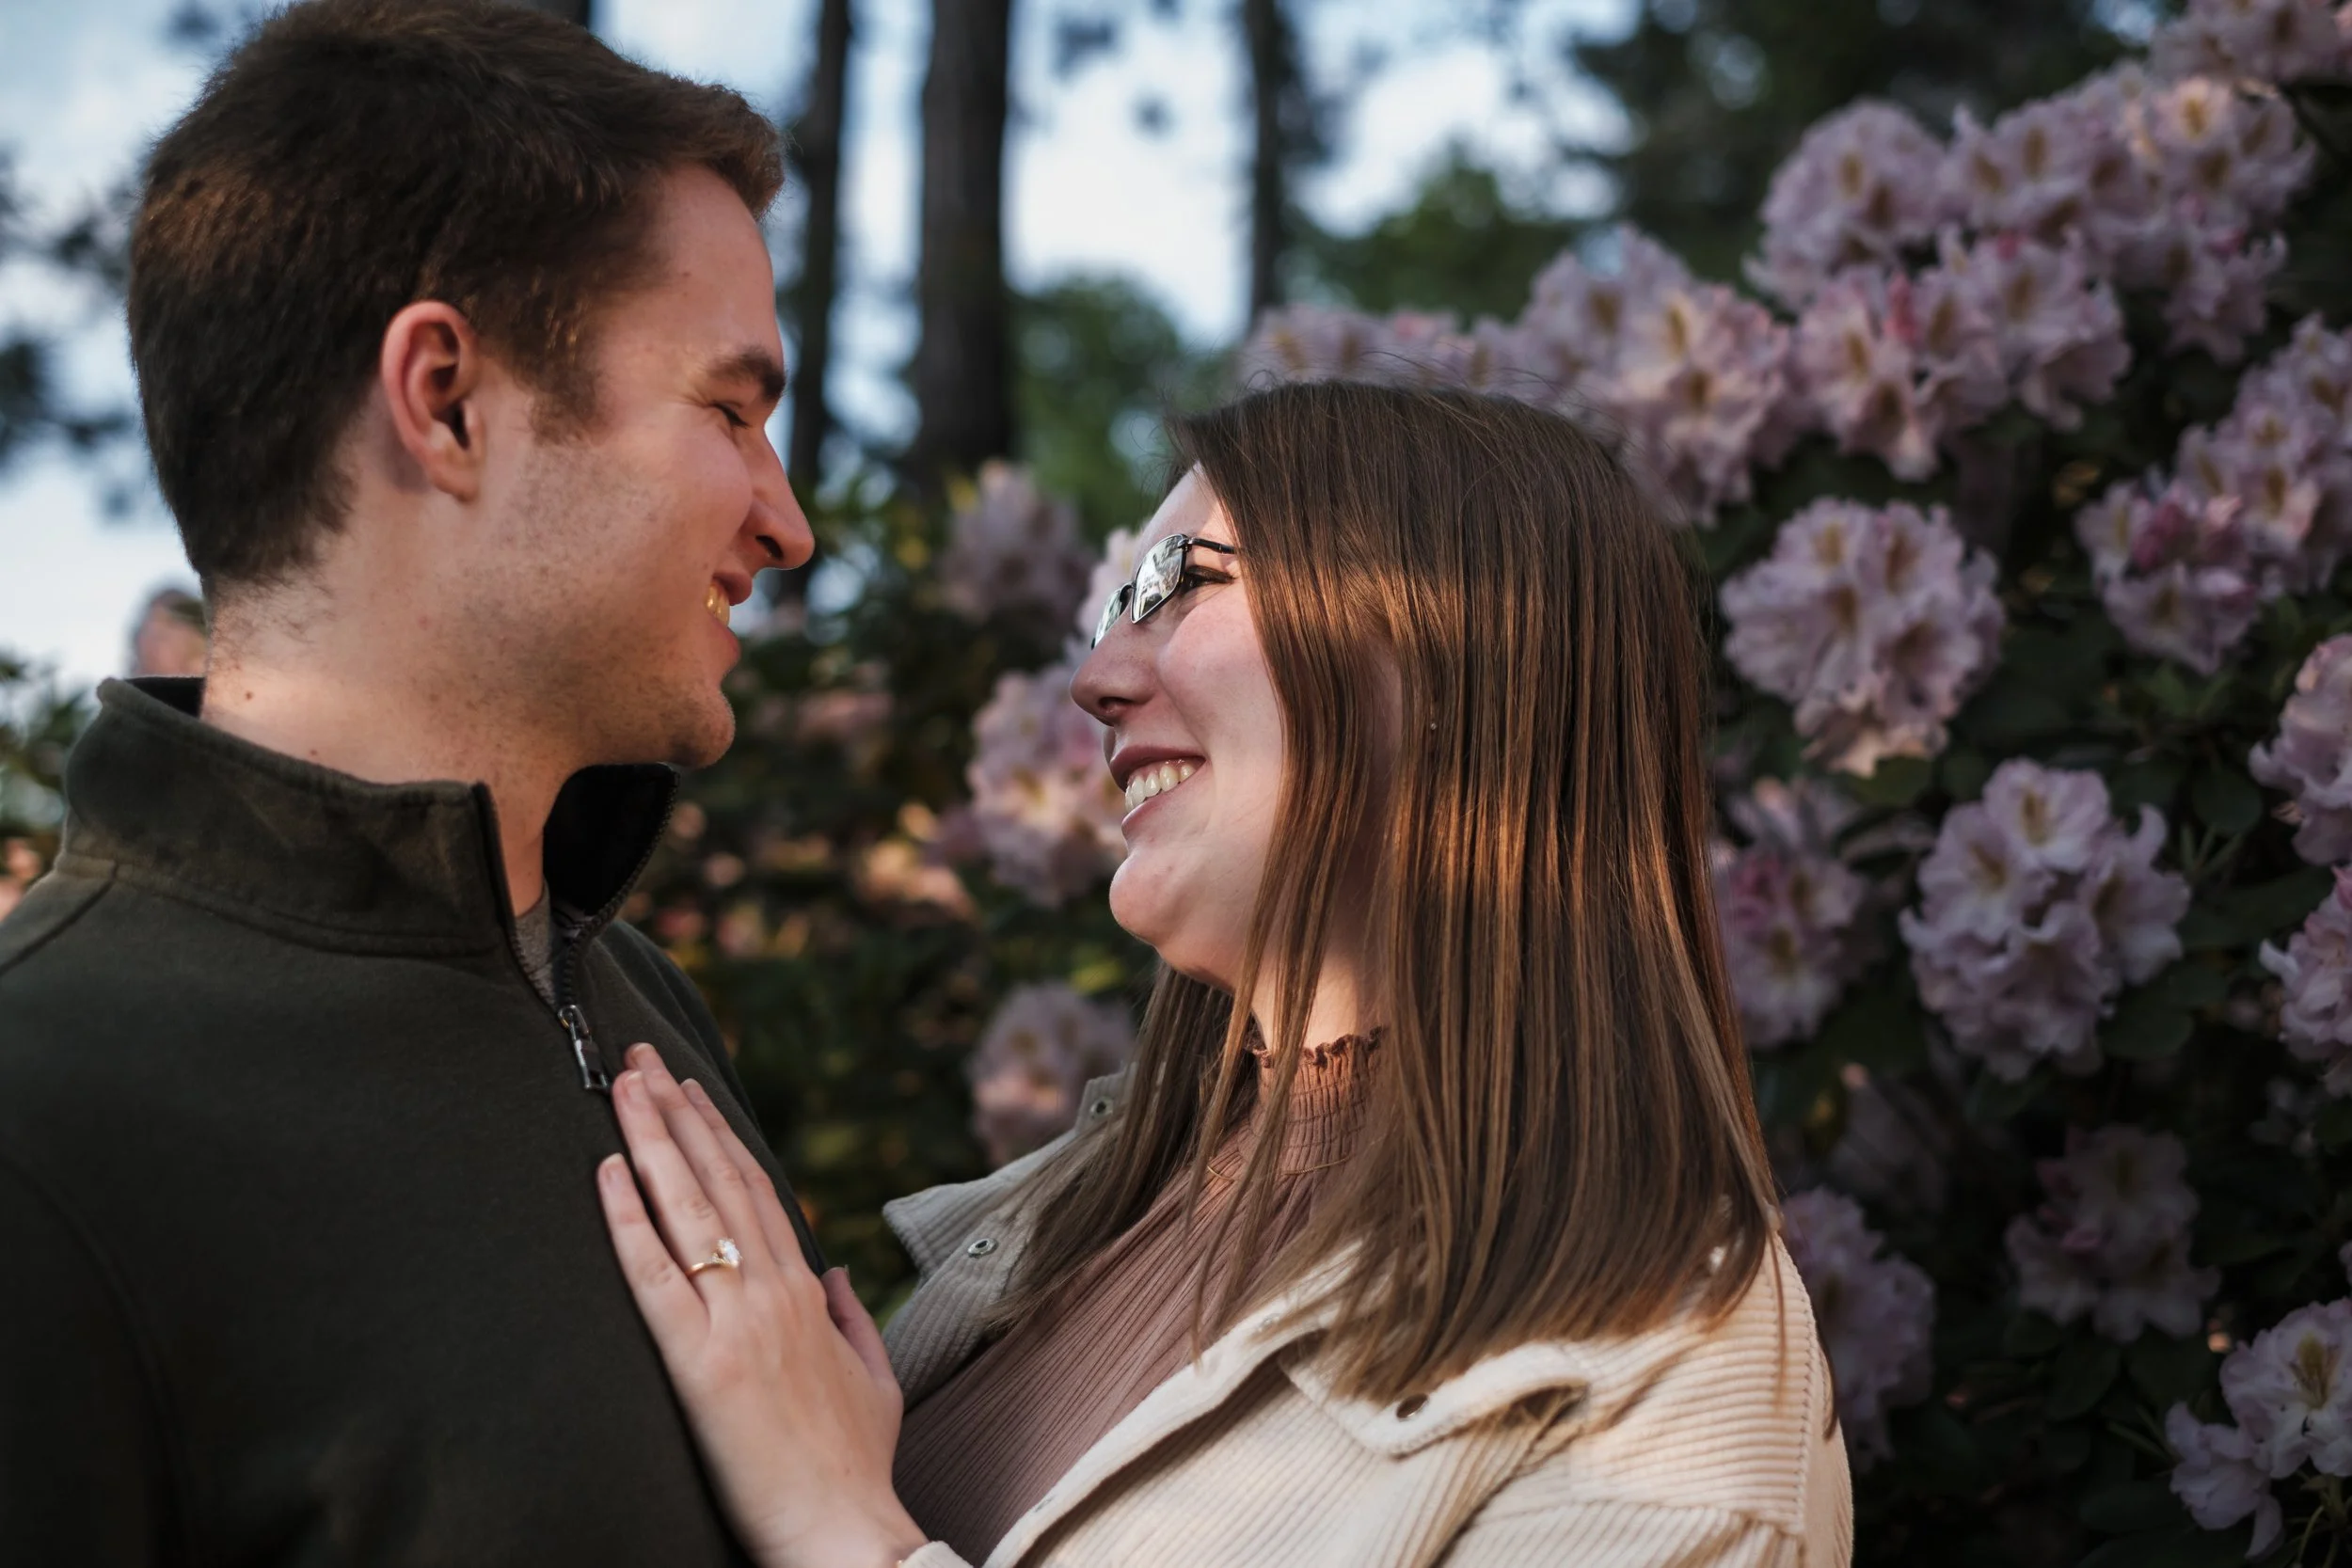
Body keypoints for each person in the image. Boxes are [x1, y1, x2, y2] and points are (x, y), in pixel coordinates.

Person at [594, 382, 1855, 1568]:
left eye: (1172, 584)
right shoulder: (1095, 1215)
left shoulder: (1668, 1386)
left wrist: (844, 1530)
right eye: (1109, 608)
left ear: (1460, 652)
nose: (1096, 679)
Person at [0, 3, 831, 1562]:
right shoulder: (40, 1122)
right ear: (445, 398)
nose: (787, 525)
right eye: (730, 409)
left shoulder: (634, 1001)